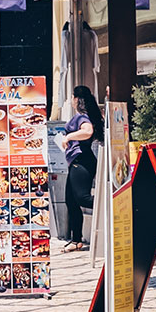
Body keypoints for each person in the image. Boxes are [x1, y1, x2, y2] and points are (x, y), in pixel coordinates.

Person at [62, 86, 103, 252]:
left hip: (82, 161)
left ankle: (108, 204)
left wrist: (69, 137)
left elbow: (88, 131)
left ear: (77, 99)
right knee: (70, 201)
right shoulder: (82, 116)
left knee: (82, 198)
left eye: (72, 97)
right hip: (77, 162)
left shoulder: (82, 118)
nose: (71, 100)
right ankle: (76, 240)